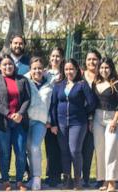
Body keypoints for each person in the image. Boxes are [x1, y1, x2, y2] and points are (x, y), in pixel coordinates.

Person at [50, 58, 97, 189]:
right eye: (66, 69)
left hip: (78, 123)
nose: (69, 71)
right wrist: (53, 123)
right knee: (64, 151)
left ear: (77, 70)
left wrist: (83, 113)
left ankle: (77, 180)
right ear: (63, 70)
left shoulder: (82, 84)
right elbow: (53, 105)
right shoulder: (58, 85)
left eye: (71, 69)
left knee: (75, 150)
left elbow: (92, 102)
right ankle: (66, 180)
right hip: (61, 124)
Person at [0, 55, 31, 191]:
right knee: (5, 152)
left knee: (20, 152)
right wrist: (8, 113)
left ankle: (19, 181)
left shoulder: (23, 80)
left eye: (10, 64)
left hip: (20, 121)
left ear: (14, 65)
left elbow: (27, 99)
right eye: (4, 65)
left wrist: (20, 114)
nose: (8, 67)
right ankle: (6, 180)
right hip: (1, 123)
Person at [23, 57, 53, 191]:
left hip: (41, 121)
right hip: (25, 120)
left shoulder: (50, 83)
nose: (37, 71)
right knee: (27, 148)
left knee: (35, 146)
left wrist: (50, 120)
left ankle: (37, 178)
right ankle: (30, 176)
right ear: (30, 69)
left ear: (44, 69)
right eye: (34, 68)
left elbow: (53, 103)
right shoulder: (25, 81)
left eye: (40, 68)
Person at [92, 57, 118, 192]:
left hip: (112, 118)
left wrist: (115, 120)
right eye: (101, 68)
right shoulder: (95, 83)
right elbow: (92, 103)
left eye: (107, 67)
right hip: (97, 118)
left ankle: (112, 182)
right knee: (100, 150)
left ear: (111, 68)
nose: (104, 70)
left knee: (111, 149)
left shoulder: (116, 83)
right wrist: (91, 120)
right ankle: (104, 180)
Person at [44, 48, 63, 187]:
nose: (55, 59)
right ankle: (50, 174)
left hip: (58, 114)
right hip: (44, 115)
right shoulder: (44, 73)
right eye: (53, 56)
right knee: (49, 147)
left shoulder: (64, 74)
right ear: (49, 58)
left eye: (58, 56)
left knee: (58, 146)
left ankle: (57, 175)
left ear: (61, 58)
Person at [83, 49, 102, 187]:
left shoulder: (103, 76)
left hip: (101, 118)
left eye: (94, 59)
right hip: (82, 119)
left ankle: (102, 179)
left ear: (99, 61)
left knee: (101, 149)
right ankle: (85, 178)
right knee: (86, 150)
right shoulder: (81, 76)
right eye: (89, 59)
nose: (92, 62)